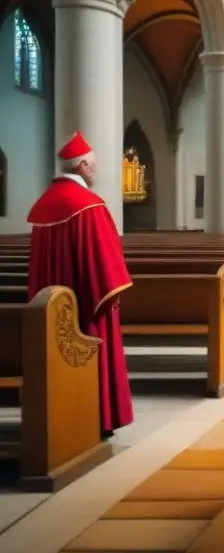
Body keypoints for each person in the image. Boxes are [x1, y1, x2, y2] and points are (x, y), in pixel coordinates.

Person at [27, 131, 134, 435]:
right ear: (83, 166)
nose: (95, 171)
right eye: (93, 165)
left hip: (51, 308)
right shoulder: (89, 205)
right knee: (93, 338)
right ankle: (97, 416)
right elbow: (105, 265)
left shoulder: (45, 204)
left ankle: (58, 417)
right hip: (87, 306)